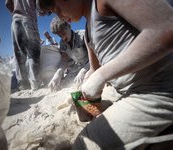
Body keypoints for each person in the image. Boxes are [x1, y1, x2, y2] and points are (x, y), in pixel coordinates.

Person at [37, 0, 173, 149]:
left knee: (83, 145)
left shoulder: (103, 2)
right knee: (81, 109)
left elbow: (166, 26)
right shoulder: (88, 32)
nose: (60, 17)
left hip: (155, 89)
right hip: (119, 90)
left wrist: (102, 76)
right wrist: (82, 89)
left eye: (58, 8)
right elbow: (94, 69)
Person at [5, 0, 42, 91]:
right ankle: (35, 84)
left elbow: (7, 4)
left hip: (15, 20)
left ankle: (23, 85)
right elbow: (39, 4)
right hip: (28, 19)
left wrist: (15, 13)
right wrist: (40, 11)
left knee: (19, 55)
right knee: (33, 54)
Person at [48, 16, 89, 91]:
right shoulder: (62, 43)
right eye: (60, 35)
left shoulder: (83, 35)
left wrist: (83, 71)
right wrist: (57, 73)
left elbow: (95, 57)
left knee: (86, 85)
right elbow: (64, 62)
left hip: (90, 66)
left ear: (69, 26)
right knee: (62, 84)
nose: (63, 37)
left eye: (64, 33)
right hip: (77, 68)